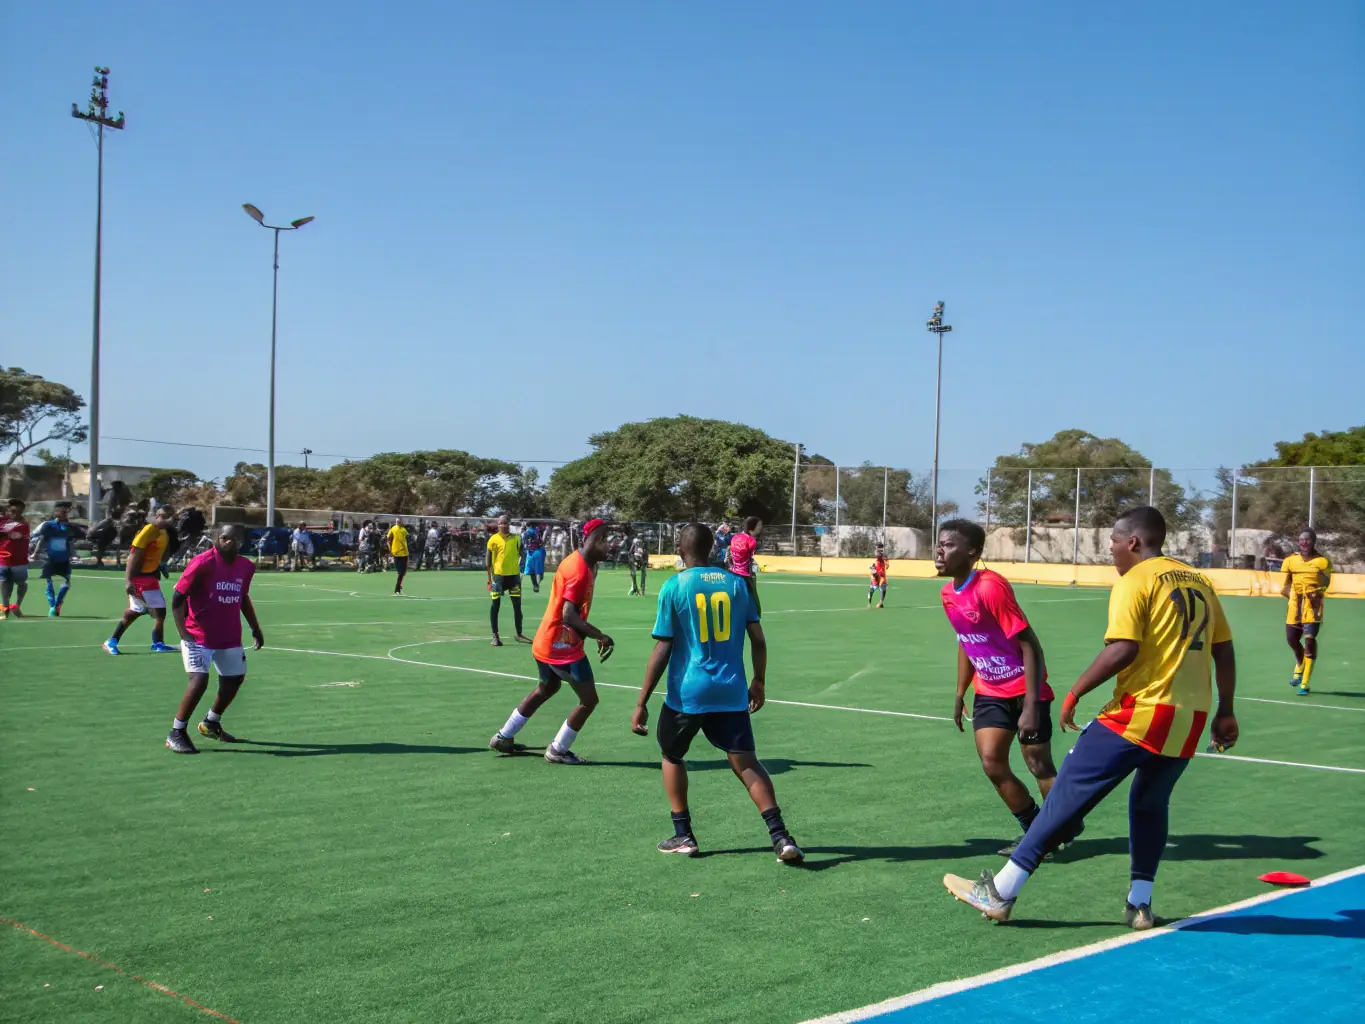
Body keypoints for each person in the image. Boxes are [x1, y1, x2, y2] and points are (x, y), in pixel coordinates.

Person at [944, 506, 1238, 930]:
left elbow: (1124, 648)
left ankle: (1001, 891)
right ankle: (1140, 904)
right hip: (1190, 715)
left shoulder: (1136, 579)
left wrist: (1076, 691)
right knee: (1150, 803)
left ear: (1133, 542)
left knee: (1067, 793)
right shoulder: (1198, 579)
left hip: (1141, 710)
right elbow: (1223, 649)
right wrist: (1225, 709)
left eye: (1114, 543)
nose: (1111, 552)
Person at [633, 523, 803, 862]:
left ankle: (684, 835)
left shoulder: (674, 586)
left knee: (672, 755)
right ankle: (781, 836)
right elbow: (758, 639)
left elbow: (663, 649)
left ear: (680, 550)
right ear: (713, 548)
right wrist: (759, 680)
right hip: (730, 690)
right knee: (747, 763)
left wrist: (641, 702)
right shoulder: (737, 584)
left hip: (688, 693)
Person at [936, 519, 1074, 856]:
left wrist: (1030, 704)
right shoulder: (947, 593)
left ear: (973, 552)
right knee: (991, 763)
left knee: (1039, 765)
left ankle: (1061, 824)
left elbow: (1030, 645)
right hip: (989, 691)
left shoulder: (990, 587)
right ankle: (1036, 830)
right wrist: (959, 693)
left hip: (1025, 690)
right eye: (938, 544)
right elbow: (968, 643)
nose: (939, 551)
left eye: (949, 545)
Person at [489, 518, 615, 765]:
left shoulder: (577, 562)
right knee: (589, 701)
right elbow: (569, 615)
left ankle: (504, 736)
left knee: (546, 689)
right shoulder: (579, 571)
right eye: (605, 540)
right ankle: (558, 749)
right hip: (562, 649)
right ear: (594, 541)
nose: (608, 545)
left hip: (545, 641)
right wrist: (600, 635)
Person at [165, 524, 264, 754]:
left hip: (229, 635)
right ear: (217, 538)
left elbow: (242, 598)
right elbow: (178, 597)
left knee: (235, 678)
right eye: (224, 538)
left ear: (241, 542)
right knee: (199, 680)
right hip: (198, 634)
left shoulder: (246, 567)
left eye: (234, 539)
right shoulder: (202, 562)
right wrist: (183, 633)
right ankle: (176, 732)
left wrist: (255, 628)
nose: (228, 542)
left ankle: (211, 722)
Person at [103, 506, 178, 655]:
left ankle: (157, 643)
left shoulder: (163, 533)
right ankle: (111, 641)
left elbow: (158, 553)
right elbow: (133, 556)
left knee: (154, 611)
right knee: (146, 611)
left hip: (151, 577)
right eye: (163, 516)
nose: (166, 519)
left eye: (169, 516)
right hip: (139, 577)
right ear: (157, 516)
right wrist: (128, 581)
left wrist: (162, 566)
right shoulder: (147, 531)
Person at [1280, 528, 1331, 695]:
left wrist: (1318, 592)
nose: (1304, 542)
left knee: (1309, 641)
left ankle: (1305, 682)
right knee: (1292, 640)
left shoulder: (1323, 562)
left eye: (1307, 539)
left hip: (1313, 606)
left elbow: (1326, 582)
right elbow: (1285, 584)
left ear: (1313, 541)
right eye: (1301, 539)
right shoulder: (1290, 561)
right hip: (1295, 605)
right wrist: (1291, 597)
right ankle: (1300, 663)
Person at [32, 501, 82, 616]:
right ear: (56, 512)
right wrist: (35, 553)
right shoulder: (48, 525)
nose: (64, 514)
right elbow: (42, 540)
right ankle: (53, 606)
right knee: (50, 584)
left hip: (64, 560)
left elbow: (70, 543)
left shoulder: (69, 527)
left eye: (66, 512)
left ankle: (57, 603)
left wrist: (75, 554)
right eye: (62, 511)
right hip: (50, 559)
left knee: (65, 584)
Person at [486, 515, 529, 647]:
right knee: (495, 606)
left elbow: (523, 553)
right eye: (500, 523)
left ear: (509, 524)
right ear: (497, 525)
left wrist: (523, 565)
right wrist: (489, 580)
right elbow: (488, 562)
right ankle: (495, 636)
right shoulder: (493, 540)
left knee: (517, 606)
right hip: (498, 578)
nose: (503, 526)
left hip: (514, 578)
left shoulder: (516, 539)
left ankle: (519, 634)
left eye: (505, 523)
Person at [0, 498, 32, 619]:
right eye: (9, 507)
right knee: (3, 583)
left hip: (19, 562)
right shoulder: (3, 521)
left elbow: (14, 535)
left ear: (21, 510)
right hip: (3, 560)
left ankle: (17, 605)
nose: (10, 510)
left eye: (14, 508)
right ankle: (5, 609)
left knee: (21, 583)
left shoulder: (23, 525)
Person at [727, 517, 762, 614]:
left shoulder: (735, 537)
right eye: (759, 526)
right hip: (745, 575)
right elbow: (749, 557)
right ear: (752, 528)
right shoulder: (752, 541)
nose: (760, 528)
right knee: (754, 606)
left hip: (732, 573)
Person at [387, 518, 410, 594]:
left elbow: (407, 538)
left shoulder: (403, 529)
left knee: (403, 572)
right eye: (397, 521)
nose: (398, 522)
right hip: (397, 552)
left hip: (405, 553)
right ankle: (397, 588)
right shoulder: (393, 529)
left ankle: (399, 587)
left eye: (400, 521)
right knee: (400, 572)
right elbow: (388, 539)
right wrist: (390, 549)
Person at [521, 523, 546, 593]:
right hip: (532, 551)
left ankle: (536, 585)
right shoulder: (535, 530)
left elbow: (525, 535)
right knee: (533, 570)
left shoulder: (532, 530)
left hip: (537, 551)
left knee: (536, 571)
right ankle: (536, 585)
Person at [628, 532, 651, 597]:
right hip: (636, 558)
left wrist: (645, 561)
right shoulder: (636, 542)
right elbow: (630, 551)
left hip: (642, 560)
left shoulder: (644, 543)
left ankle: (641, 590)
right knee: (633, 574)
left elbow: (646, 553)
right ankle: (634, 588)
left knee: (642, 574)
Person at [867, 544, 889, 609]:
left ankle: (881, 603)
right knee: (872, 589)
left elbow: (887, 566)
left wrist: (886, 563)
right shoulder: (877, 562)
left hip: (881, 578)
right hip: (877, 578)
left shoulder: (883, 559)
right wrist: (874, 571)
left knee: (883, 587)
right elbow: (878, 571)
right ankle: (869, 602)